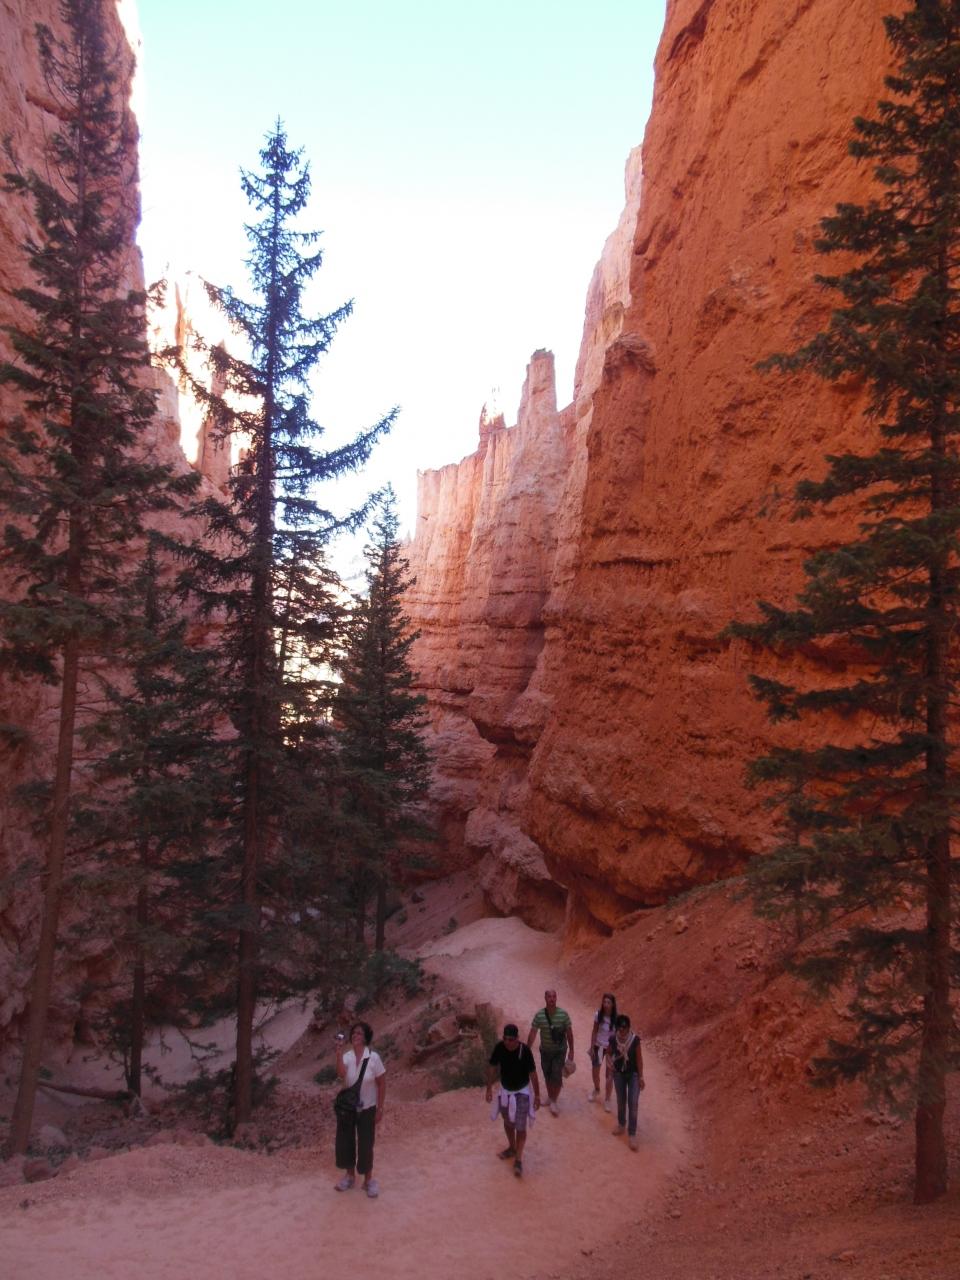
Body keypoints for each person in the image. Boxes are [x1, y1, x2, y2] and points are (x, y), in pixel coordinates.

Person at [334, 1020, 387, 1197]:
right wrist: (338, 1053)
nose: (355, 1036)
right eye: (354, 1033)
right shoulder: (347, 1056)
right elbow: (341, 1074)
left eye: (359, 1033)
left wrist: (380, 1108)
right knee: (346, 1142)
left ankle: (368, 1181)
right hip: (349, 1109)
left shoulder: (373, 1058)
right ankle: (349, 1176)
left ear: (365, 1038)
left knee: (366, 1144)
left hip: (367, 1108)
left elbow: (382, 1083)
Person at [486, 1022, 541, 1177]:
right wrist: (489, 1088)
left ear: (517, 1038)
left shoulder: (525, 1051)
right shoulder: (500, 1048)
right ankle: (512, 1147)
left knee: (520, 1126)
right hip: (505, 1092)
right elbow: (492, 1067)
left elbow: (533, 1073)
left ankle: (518, 1159)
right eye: (505, 1039)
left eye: (510, 1039)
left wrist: (537, 1095)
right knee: (508, 1123)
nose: (507, 1042)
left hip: (522, 1092)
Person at [526, 988, 574, 1116]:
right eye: (549, 996)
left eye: (554, 996)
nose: (552, 999)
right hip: (545, 1051)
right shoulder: (539, 1015)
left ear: (556, 998)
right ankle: (550, 1096)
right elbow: (533, 1033)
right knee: (547, 1074)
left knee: (556, 1074)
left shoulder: (563, 1015)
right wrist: (527, 1049)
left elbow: (569, 1033)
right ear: (545, 998)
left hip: (559, 1051)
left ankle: (554, 1100)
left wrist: (572, 1050)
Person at [609, 1013, 644, 1151]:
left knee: (633, 1103)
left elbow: (639, 1060)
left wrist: (641, 1077)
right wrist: (610, 1063)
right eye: (620, 1027)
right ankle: (621, 1124)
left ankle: (632, 1133)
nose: (622, 1030)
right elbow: (608, 1052)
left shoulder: (635, 1040)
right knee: (621, 1100)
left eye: (624, 1027)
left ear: (629, 1027)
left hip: (633, 1074)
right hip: (619, 1073)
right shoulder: (613, 1039)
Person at [588, 993, 617, 1111]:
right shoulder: (598, 1015)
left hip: (611, 1049)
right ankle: (597, 1089)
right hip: (598, 1046)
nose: (606, 1004)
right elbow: (594, 1031)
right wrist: (591, 1047)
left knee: (609, 1075)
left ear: (613, 1004)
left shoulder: (617, 1019)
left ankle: (607, 1099)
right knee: (595, 1071)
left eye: (608, 1002)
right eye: (604, 1002)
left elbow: (618, 1036)